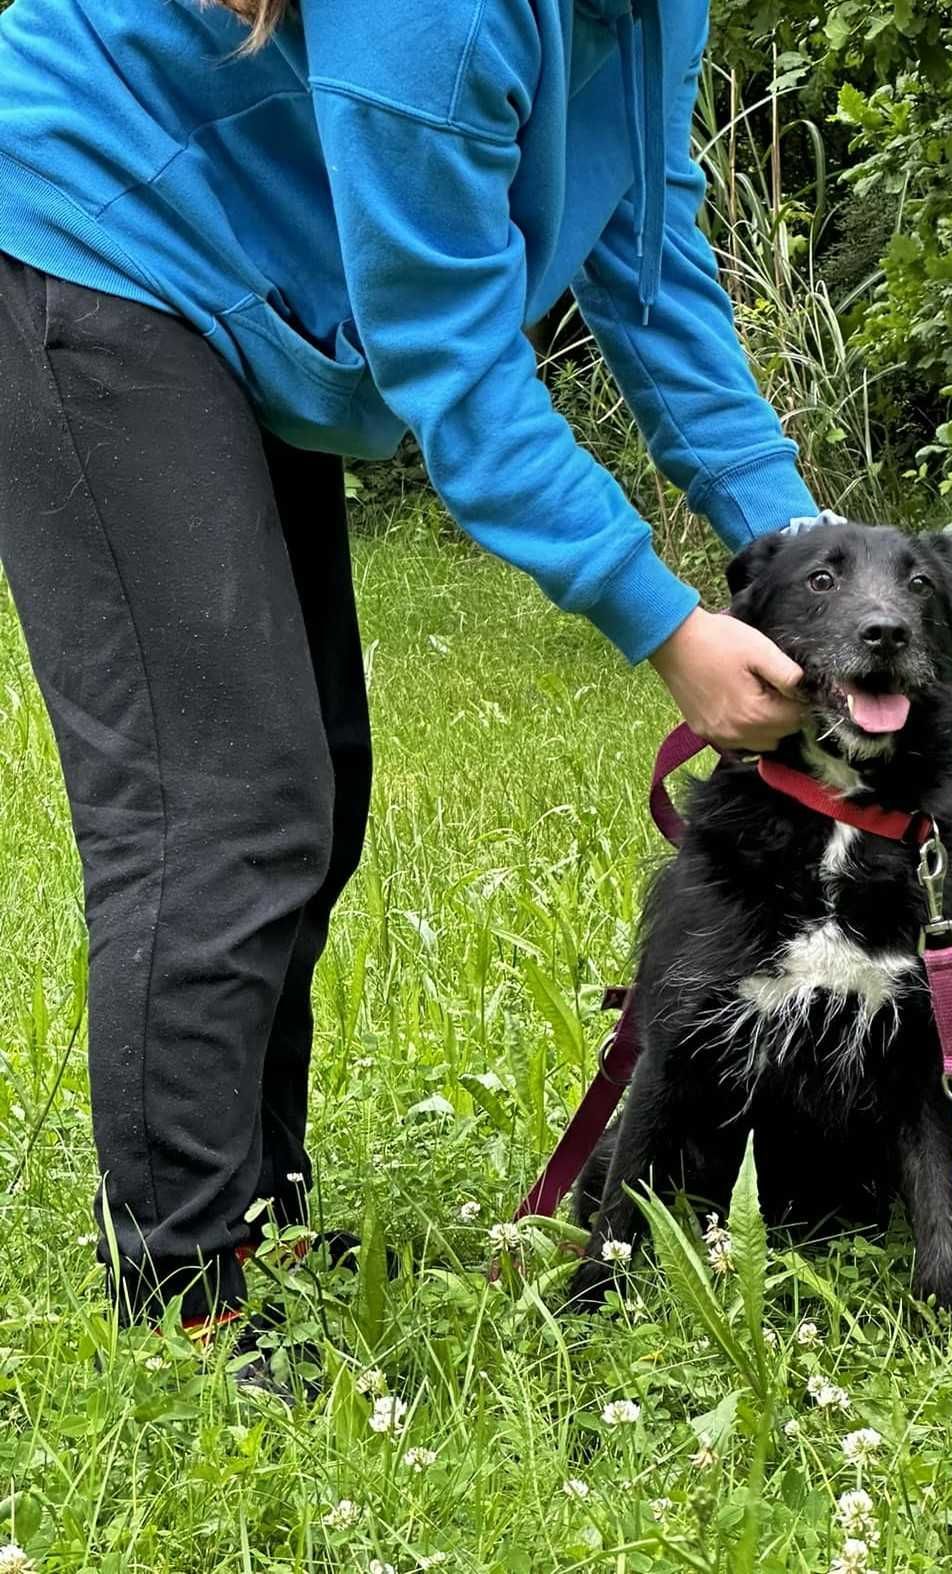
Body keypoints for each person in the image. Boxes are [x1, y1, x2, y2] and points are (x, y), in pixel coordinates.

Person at [0, 0, 822, 1334]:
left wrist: (797, 547)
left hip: (229, 277)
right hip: (95, 221)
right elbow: (456, 365)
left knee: (312, 782)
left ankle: (251, 1228)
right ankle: (187, 1300)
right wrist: (671, 628)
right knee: (218, 805)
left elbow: (652, 257)